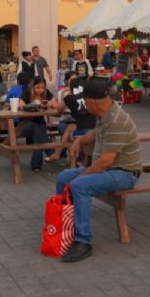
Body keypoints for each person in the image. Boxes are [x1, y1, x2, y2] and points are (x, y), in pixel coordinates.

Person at [56, 80, 141, 262]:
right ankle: (65, 229)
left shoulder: (116, 120)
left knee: (79, 185)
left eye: (85, 102)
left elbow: (105, 162)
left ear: (91, 101)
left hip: (124, 173)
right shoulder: (105, 113)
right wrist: (79, 140)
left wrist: (80, 175)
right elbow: (96, 132)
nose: (84, 106)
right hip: (110, 169)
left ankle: (83, 241)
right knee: (63, 178)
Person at [47, 72, 98, 162]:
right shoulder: (89, 95)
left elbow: (59, 110)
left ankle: (62, 155)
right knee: (67, 127)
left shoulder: (69, 97)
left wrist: (52, 103)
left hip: (82, 126)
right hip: (94, 126)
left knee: (68, 128)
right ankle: (59, 154)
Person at [18, 77, 60, 173]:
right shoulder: (27, 93)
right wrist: (35, 105)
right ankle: (51, 152)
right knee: (36, 127)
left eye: (42, 87)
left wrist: (49, 103)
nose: (40, 90)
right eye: (38, 87)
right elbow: (21, 105)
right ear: (33, 86)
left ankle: (36, 165)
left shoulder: (46, 93)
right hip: (24, 126)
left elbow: (56, 105)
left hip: (40, 126)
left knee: (37, 132)